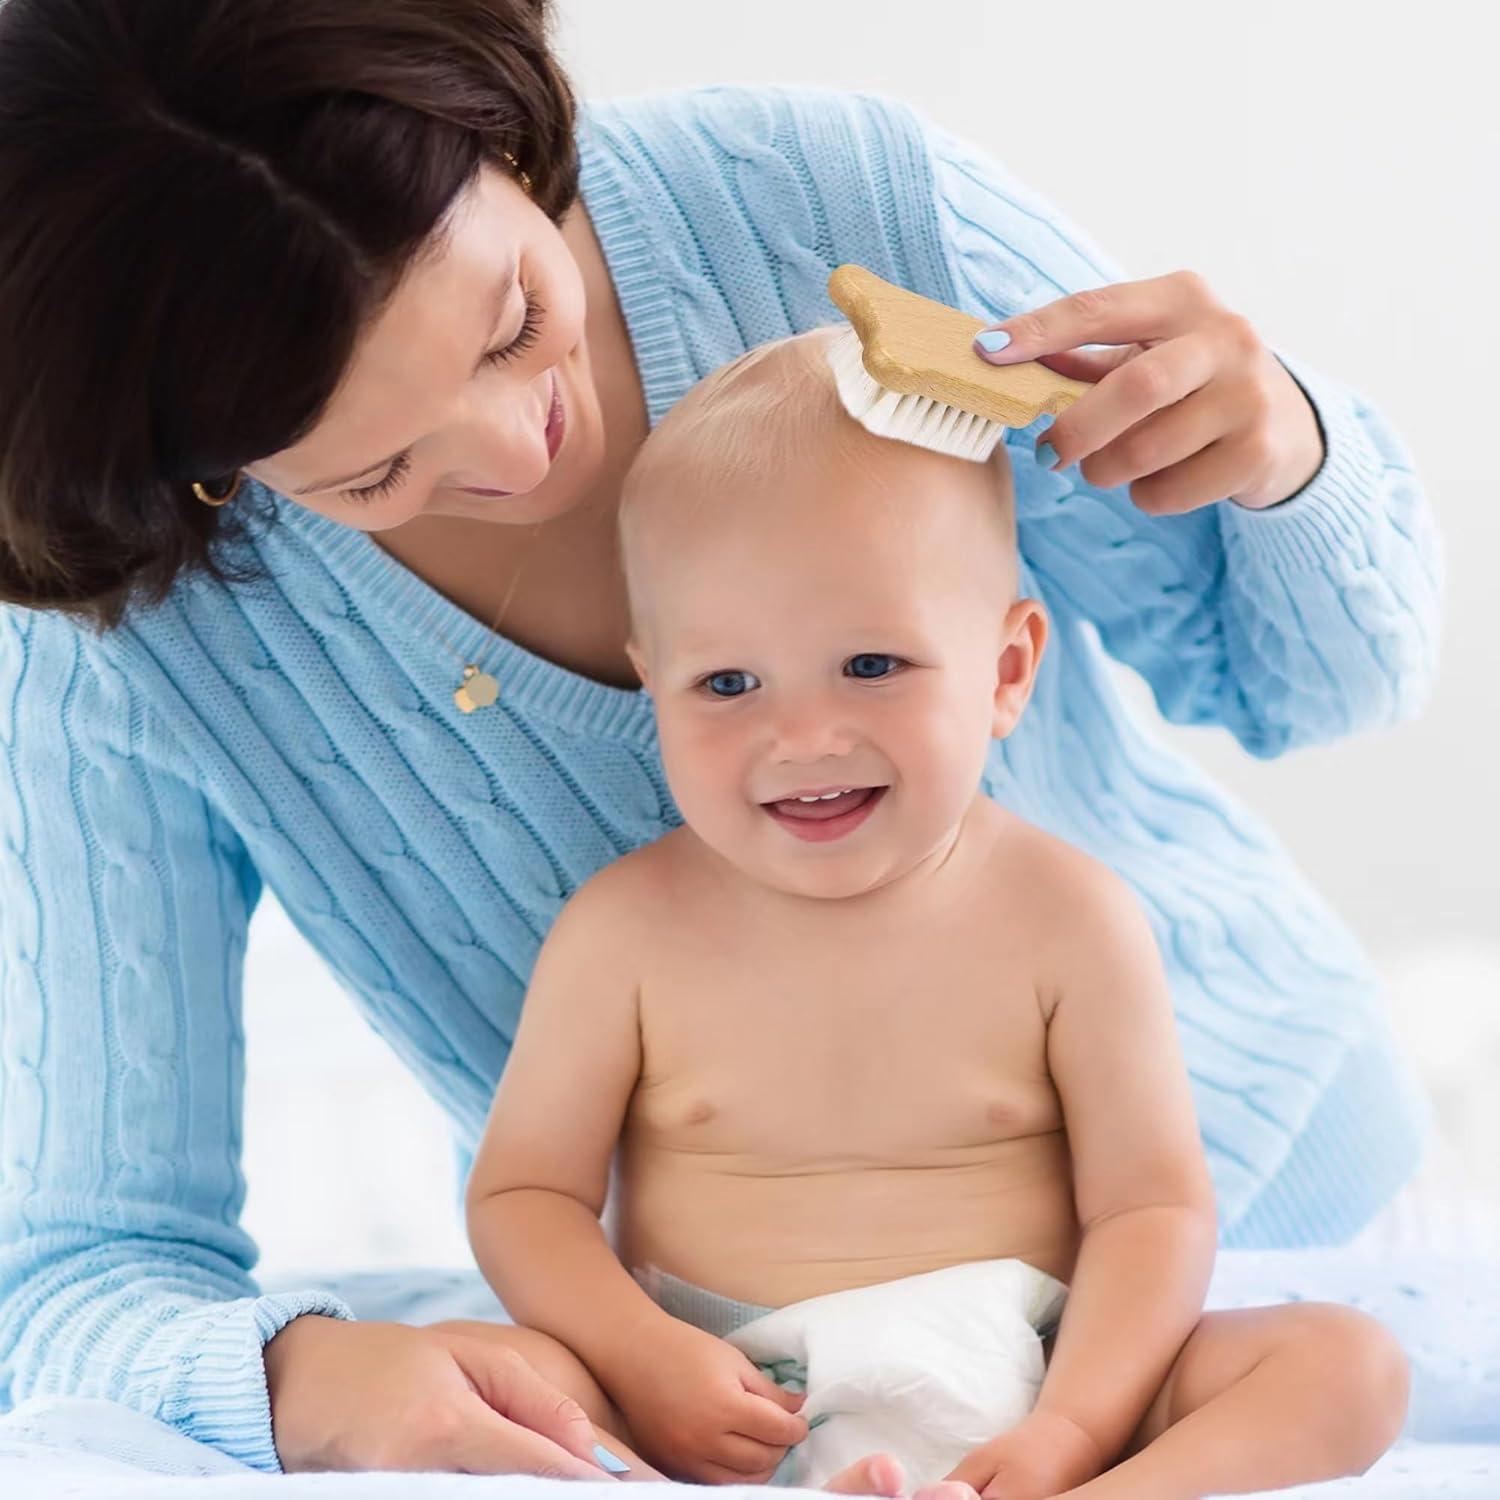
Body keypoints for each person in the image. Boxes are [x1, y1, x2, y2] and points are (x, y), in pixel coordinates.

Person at [0, 0, 1441, 1479]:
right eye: (374, 471)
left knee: (1343, 1372)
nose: (519, 450)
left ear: (501, 126)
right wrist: (300, 1373)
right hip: (735, 1386)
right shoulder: (126, 632)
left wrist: (1283, 449)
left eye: (515, 319)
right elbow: (77, 1270)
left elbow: (1317, 690)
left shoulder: (829, 211)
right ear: (204, 470)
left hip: (1263, 1234)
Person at [463, 328, 1411, 1500]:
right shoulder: (624, 933)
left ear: (1005, 672)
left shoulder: (1067, 917)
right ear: (651, 681)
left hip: (1032, 1379)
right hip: (725, 1400)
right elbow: (526, 1197)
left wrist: (1075, 1427)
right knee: (479, 1380)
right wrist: (643, 1357)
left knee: (1347, 1366)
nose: (802, 736)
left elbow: (1152, 1207)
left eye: (872, 665)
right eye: (727, 684)